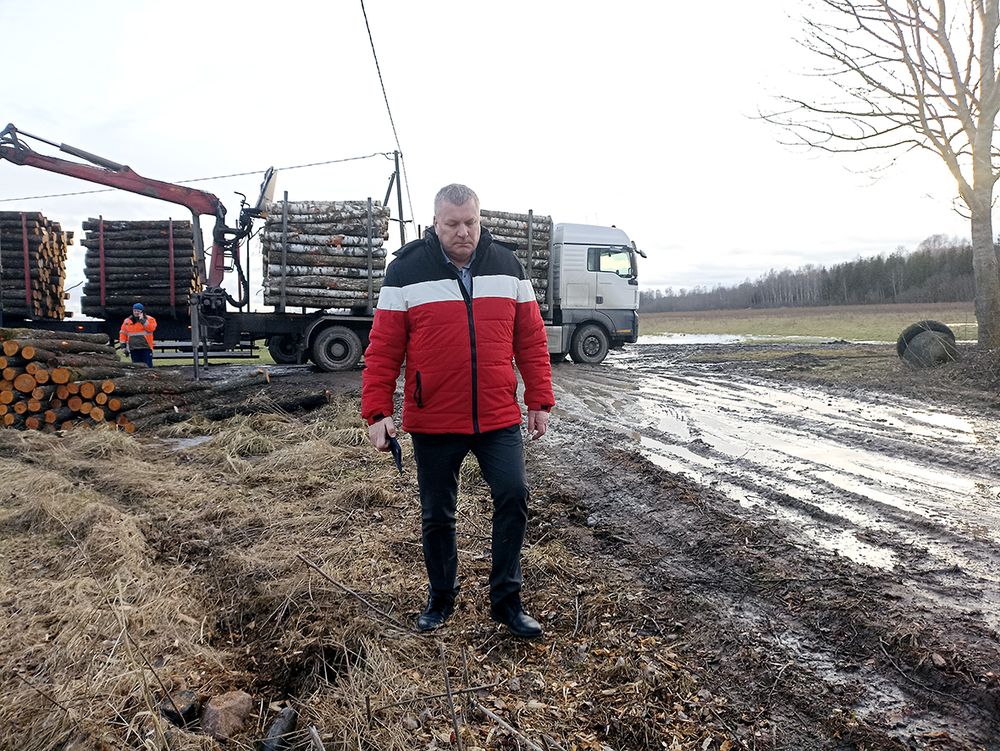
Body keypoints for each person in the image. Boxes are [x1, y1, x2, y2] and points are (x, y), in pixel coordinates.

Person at [362, 183, 554, 639]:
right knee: (437, 514)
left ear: (479, 219)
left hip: (497, 414)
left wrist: (539, 400)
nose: (463, 232)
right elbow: (383, 348)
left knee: (513, 495)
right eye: (452, 224)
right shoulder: (405, 270)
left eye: (471, 222)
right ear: (435, 223)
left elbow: (531, 340)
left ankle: (507, 602)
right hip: (434, 417)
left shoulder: (507, 265)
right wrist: (377, 411)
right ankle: (441, 599)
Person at [119, 302, 157, 368]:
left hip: (146, 348)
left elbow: (151, 329)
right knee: (136, 368)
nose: (136, 312)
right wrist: (123, 346)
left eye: (138, 311)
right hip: (133, 348)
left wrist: (142, 320)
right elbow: (123, 334)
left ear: (142, 312)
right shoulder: (127, 321)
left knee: (148, 367)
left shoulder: (150, 319)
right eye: (135, 311)